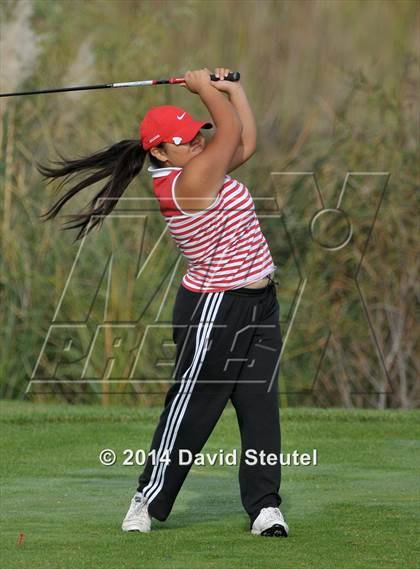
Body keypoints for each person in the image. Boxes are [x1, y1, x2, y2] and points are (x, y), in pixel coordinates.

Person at [36, 67, 289, 538]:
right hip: (216, 308)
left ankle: (264, 507)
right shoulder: (185, 184)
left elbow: (245, 144)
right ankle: (145, 500)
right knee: (192, 409)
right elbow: (230, 130)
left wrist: (233, 90)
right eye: (184, 139)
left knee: (260, 409)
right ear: (158, 150)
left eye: (197, 135)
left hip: (259, 305)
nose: (195, 143)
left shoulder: (199, 168)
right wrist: (204, 88)